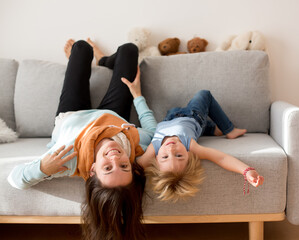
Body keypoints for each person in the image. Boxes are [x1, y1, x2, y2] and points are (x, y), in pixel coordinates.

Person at [7, 39, 157, 240]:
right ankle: (105, 60)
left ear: (93, 170)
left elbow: (14, 180)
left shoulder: (68, 159)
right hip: (112, 115)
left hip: (72, 115)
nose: (115, 158)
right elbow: (153, 131)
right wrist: (137, 96)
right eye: (124, 166)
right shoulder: (132, 146)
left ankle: (88, 58)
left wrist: (43, 168)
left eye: (107, 168)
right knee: (129, 49)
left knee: (81, 48)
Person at [136, 90, 264, 202]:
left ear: (156, 159)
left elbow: (133, 170)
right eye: (179, 155)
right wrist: (246, 171)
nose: (171, 149)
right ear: (189, 155)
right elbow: (221, 158)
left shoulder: (154, 148)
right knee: (204, 94)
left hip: (169, 117)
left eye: (165, 157)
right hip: (193, 116)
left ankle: (212, 129)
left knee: (177, 112)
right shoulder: (190, 146)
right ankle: (229, 129)